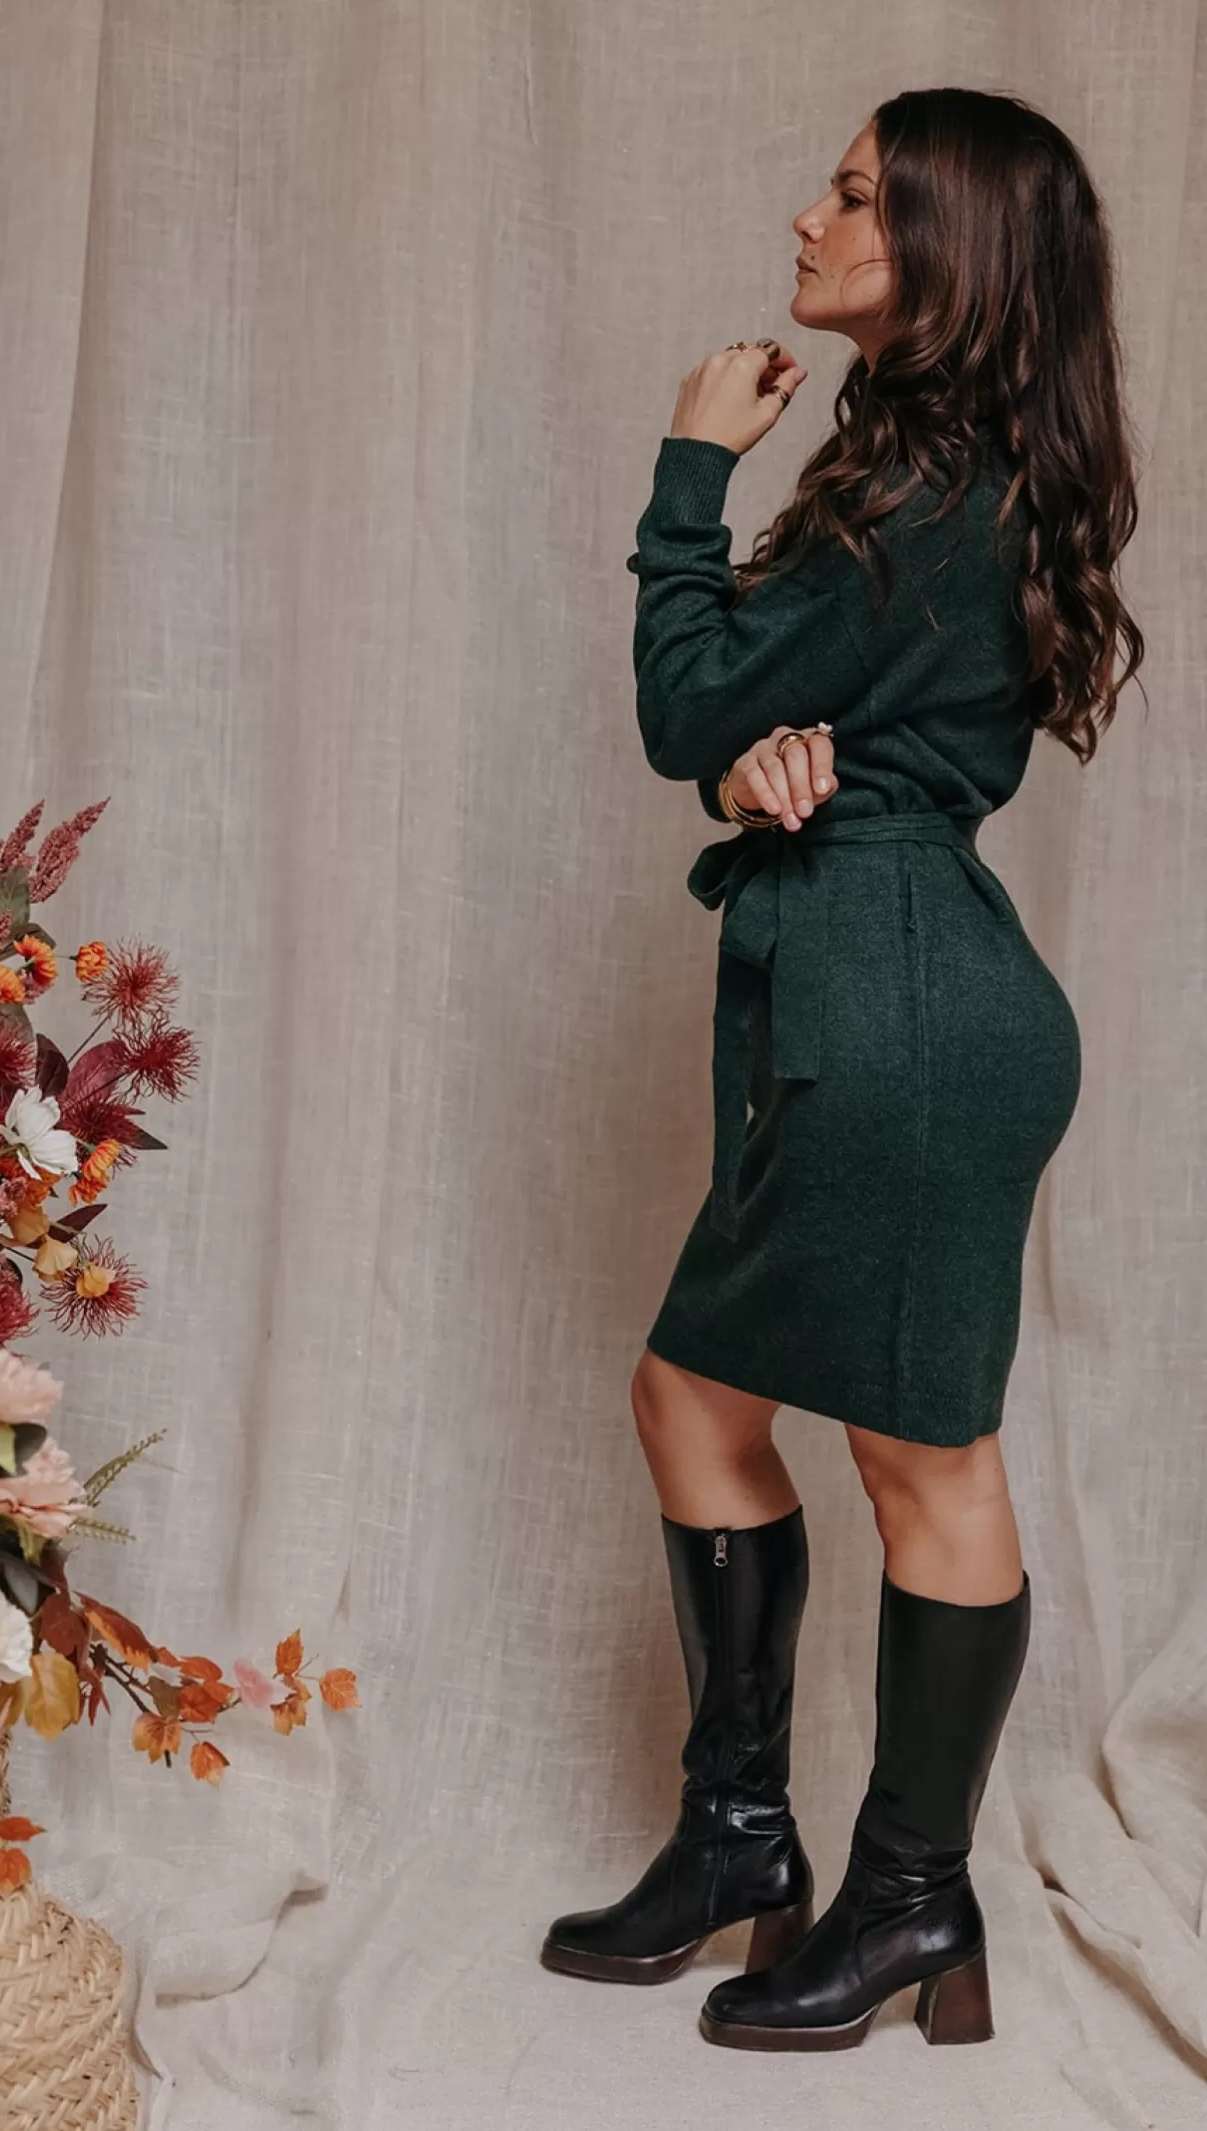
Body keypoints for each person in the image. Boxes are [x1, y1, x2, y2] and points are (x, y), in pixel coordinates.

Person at [541, 87, 1143, 2051]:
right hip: (875, 989)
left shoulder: (928, 498)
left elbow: (683, 698)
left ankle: (906, 1899)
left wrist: (687, 473)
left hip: (902, 1024)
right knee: (692, 1396)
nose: (808, 217)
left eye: (858, 195)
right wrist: (755, 765)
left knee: (921, 1458)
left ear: (947, 254)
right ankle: (740, 1839)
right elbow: (768, 729)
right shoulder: (927, 483)